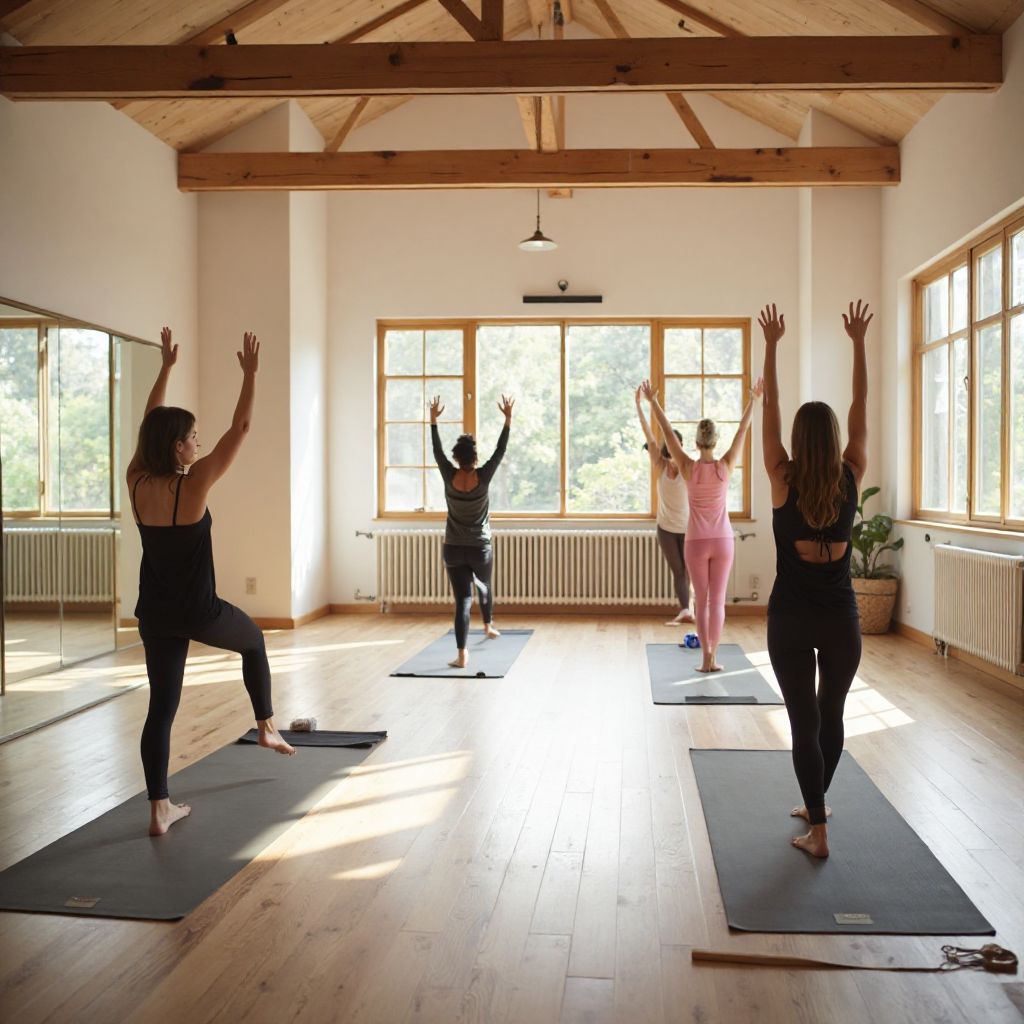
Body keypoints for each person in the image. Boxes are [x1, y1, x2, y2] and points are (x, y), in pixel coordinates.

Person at [127, 327, 294, 837]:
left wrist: (166, 369)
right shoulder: (193, 485)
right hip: (201, 611)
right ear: (178, 446)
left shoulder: (136, 478)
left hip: (155, 615)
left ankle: (159, 809)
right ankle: (266, 726)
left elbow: (147, 427)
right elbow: (240, 429)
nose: (200, 441)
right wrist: (249, 376)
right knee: (256, 641)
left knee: (162, 709)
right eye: (194, 436)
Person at [759, 300, 871, 859]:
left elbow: (772, 411)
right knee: (832, 716)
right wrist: (857, 342)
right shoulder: (852, 475)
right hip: (842, 618)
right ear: (834, 440)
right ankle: (817, 805)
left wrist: (772, 345)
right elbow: (861, 407)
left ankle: (818, 828)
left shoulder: (782, 479)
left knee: (802, 722)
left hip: (790, 619)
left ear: (801, 443)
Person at [641, 378, 763, 673]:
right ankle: (712, 658)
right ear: (714, 441)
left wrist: (653, 402)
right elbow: (742, 431)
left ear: (695, 442)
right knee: (718, 602)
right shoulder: (726, 465)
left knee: (703, 600)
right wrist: (753, 400)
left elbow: (668, 433)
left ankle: (704, 658)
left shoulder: (686, 466)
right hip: (722, 541)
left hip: (696, 542)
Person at [430, 394, 514, 669]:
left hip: (453, 548)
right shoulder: (484, 475)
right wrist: (507, 418)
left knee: (463, 601)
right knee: (485, 587)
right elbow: (500, 451)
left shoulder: (448, 473)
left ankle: (462, 654)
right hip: (480, 547)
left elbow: (437, 452)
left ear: (456, 457)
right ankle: (488, 626)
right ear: (475, 457)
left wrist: (433, 421)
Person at [634, 385, 693, 625]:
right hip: (666, 529)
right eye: (670, 442)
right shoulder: (660, 465)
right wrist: (640, 406)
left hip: (690, 528)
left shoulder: (689, 467)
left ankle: (691, 610)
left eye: (677, 442)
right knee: (678, 571)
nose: (672, 445)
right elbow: (650, 435)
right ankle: (684, 609)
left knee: (690, 572)